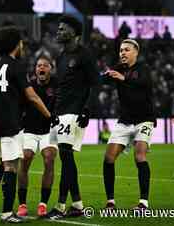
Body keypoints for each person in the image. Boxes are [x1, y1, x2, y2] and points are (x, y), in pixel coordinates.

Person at [0, 26, 55, 223]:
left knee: (0, 164)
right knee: (11, 166)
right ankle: (7, 213)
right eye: (20, 42)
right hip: (11, 122)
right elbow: (32, 96)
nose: (22, 45)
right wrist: (49, 115)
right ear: (14, 44)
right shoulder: (16, 66)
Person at [46, 15, 99, 220]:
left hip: (75, 112)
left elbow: (95, 84)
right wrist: (53, 112)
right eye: (58, 29)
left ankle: (61, 206)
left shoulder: (85, 55)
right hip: (60, 113)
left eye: (62, 29)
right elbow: (61, 88)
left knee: (66, 156)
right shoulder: (60, 58)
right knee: (65, 157)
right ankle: (76, 204)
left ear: (74, 33)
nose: (58, 32)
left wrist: (87, 109)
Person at [101, 39, 156, 210]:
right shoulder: (118, 69)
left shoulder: (143, 69)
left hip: (144, 119)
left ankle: (143, 203)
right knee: (108, 158)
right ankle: (110, 202)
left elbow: (145, 85)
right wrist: (102, 77)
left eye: (126, 50)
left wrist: (123, 78)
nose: (122, 53)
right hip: (125, 120)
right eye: (120, 50)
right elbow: (104, 81)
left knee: (139, 156)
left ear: (135, 52)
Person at [17, 55, 58, 217]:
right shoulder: (29, 86)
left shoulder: (57, 86)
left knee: (49, 158)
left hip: (50, 130)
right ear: (35, 69)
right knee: (25, 158)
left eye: (45, 65)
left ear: (50, 69)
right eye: (38, 65)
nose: (41, 68)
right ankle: (22, 204)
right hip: (30, 130)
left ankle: (43, 204)